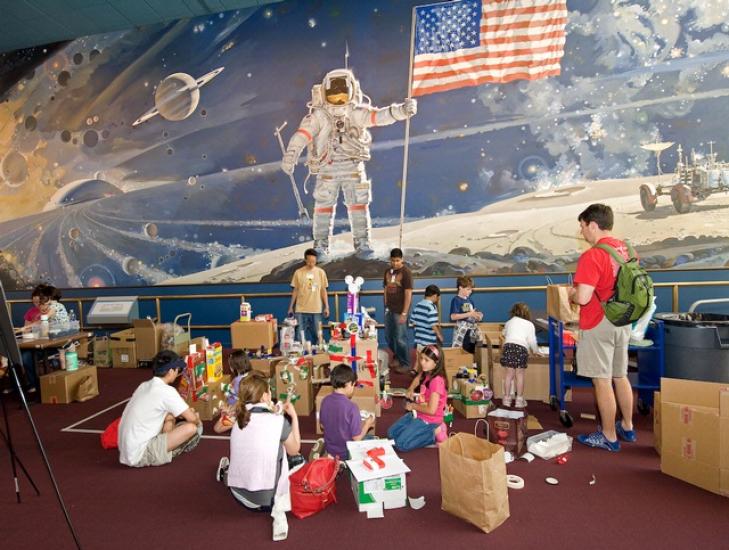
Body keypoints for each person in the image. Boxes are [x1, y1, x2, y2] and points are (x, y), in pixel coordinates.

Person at [281, 68, 417, 256]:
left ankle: (362, 242)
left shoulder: (355, 113)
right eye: (334, 95)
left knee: (358, 206)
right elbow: (301, 136)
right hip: (328, 168)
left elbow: (379, 116)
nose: (338, 99)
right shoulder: (319, 116)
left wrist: (401, 111)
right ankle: (320, 245)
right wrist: (291, 156)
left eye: (342, 94)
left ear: (352, 91)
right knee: (323, 208)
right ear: (324, 94)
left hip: (352, 167)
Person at [569, 203, 635, 452]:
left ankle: (608, 435)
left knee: (602, 380)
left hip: (599, 322)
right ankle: (627, 426)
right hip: (623, 320)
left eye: (583, 227)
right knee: (620, 375)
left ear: (593, 225)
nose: (582, 232)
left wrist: (572, 293)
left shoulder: (593, 255)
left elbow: (584, 297)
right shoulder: (627, 249)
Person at [213, 372, 300, 542]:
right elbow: (295, 449)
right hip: (267, 502)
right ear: (265, 396)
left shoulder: (239, 414)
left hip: (237, 494)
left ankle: (226, 473)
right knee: (295, 457)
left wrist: (231, 411)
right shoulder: (278, 421)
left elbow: (217, 428)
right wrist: (294, 416)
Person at [118, 350, 203, 467]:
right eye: (178, 369)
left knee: (170, 415)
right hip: (139, 454)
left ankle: (168, 433)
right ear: (171, 371)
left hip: (127, 450)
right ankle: (171, 451)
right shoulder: (167, 391)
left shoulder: (144, 385)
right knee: (194, 428)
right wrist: (191, 417)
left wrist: (172, 418)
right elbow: (193, 420)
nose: (178, 372)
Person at [387, 345, 447, 452]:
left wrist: (413, 406)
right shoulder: (427, 371)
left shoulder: (436, 381)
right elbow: (418, 378)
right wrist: (410, 389)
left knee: (401, 444)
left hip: (430, 420)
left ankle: (433, 434)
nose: (422, 362)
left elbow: (431, 410)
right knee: (391, 434)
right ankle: (416, 431)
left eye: (426, 360)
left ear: (436, 362)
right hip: (418, 414)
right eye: (421, 358)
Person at [316, 364, 376, 460]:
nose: (353, 388)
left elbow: (322, 426)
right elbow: (357, 439)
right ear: (348, 384)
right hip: (346, 453)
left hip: (330, 450)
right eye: (353, 385)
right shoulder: (352, 408)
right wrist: (368, 424)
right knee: (372, 439)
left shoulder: (325, 400)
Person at [500, 302, 540, 408]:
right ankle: (519, 399)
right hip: (521, 349)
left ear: (513, 312)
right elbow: (532, 340)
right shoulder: (529, 324)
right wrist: (536, 351)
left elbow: (503, 333)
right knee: (520, 375)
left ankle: (506, 399)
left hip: (508, 347)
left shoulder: (509, 322)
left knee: (508, 375)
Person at [288, 248, 329, 344]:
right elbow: (295, 290)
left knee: (318, 335)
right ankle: (299, 356)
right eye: (309, 261)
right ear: (305, 260)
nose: (311, 264)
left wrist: (326, 307)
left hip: (316, 309)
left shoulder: (321, 272)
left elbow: (323, 290)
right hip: (300, 309)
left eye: (314, 261)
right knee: (299, 335)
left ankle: (318, 356)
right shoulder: (298, 272)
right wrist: (290, 307)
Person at [383, 248, 413, 374]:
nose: (395, 263)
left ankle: (405, 363)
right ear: (390, 260)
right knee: (389, 337)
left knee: (400, 338)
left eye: (397, 260)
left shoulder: (406, 272)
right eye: (393, 260)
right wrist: (385, 303)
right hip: (389, 310)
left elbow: (408, 293)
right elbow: (385, 287)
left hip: (400, 311)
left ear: (402, 259)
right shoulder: (387, 271)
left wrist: (404, 313)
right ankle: (397, 357)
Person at [450, 276, 484, 348]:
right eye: (468, 289)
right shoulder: (456, 300)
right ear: (460, 287)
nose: (470, 291)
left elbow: (473, 313)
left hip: (471, 330)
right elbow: (453, 316)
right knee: (460, 350)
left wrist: (478, 315)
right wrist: (469, 314)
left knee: (470, 349)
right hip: (462, 329)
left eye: (471, 289)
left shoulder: (470, 300)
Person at [411, 284, 443, 350]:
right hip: (429, 342)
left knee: (420, 359)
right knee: (429, 359)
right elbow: (433, 325)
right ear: (435, 296)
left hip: (419, 341)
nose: (437, 300)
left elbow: (413, 322)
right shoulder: (432, 307)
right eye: (437, 298)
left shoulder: (418, 305)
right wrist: (439, 335)